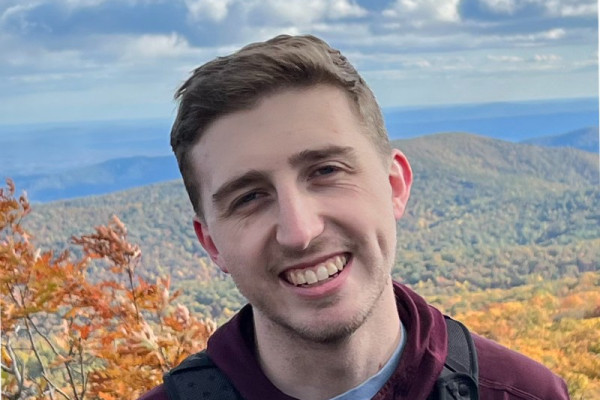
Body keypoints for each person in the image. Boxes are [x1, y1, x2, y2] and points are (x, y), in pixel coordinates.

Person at [139, 34, 569, 400]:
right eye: (250, 197)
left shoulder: (522, 393)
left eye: (326, 172)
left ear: (395, 185)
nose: (300, 231)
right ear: (212, 243)